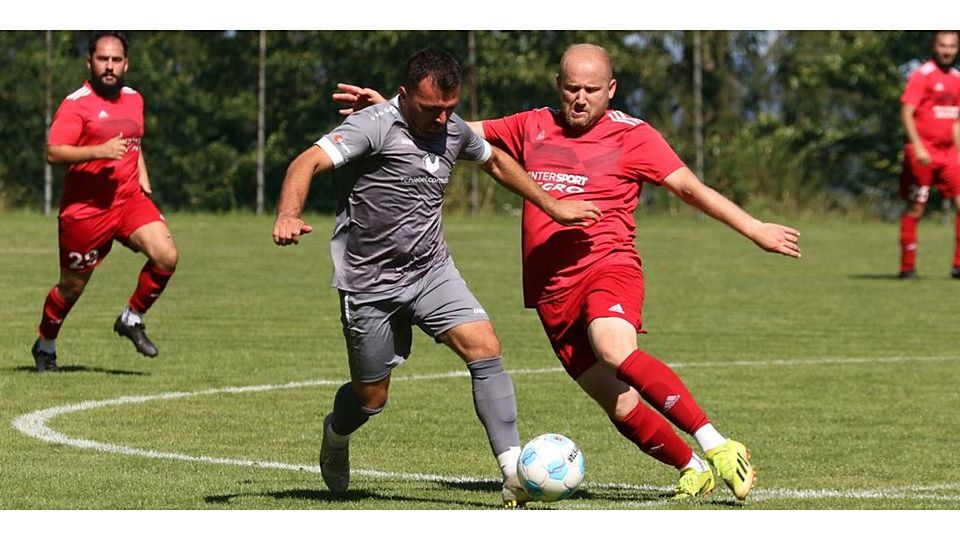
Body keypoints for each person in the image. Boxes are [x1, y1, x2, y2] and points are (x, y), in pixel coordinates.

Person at [334, 43, 801, 502]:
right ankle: (693, 468)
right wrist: (394, 110)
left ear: (611, 89)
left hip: (608, 266)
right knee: (618, 401)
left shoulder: (634, 135)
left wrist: (754, 227)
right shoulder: (532, 125)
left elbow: (690, 189)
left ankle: (717, 443)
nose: (581, 98)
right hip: (552, 293)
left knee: (615, 348)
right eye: (572, 88)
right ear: (558, 85)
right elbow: (449, 130)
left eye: (592, 90)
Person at [272, 48, 601, 508]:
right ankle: (336, 433)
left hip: (431, 271)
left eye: (451, 107)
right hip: (369, 284)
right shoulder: (373, 126)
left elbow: (495, 161)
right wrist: (289, 213)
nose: (444, 119)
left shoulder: (451, 128)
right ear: (404, 96)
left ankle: (512, 476)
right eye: (432, 109)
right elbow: (305, 162)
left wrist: (552, 204)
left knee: (485, 348)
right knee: (371, 398)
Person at [30, 31, 178, 373]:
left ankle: (131, 317)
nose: (109, 67)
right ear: (90, 62)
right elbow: (54, 152)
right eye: (102, 59)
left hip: (127, 200)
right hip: (85, 211)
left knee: (166, 255)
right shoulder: (76, 104)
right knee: (71, 288)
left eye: (115, 60)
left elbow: (131, 140)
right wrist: (98, 151)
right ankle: (45, 345)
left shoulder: (134, 99)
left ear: (125, 64)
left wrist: (142, 172)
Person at [897, 30, 960, 280]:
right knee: (916, 209)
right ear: (935, 47)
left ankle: (958, 265)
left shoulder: (957, 79)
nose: (947, 50)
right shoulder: (921, 76)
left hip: (949, 154)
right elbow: (906, 113)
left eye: (952, 46)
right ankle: (907, 267)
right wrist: (918, 146)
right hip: (922, 152)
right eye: (943, 45)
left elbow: (955, 121)